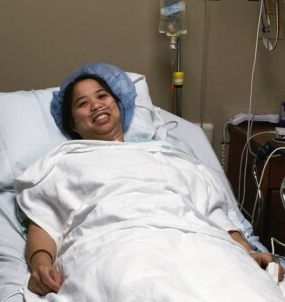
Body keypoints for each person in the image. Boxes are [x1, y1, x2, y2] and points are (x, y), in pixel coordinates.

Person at [17, 63, 285, 300]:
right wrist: (41, 263)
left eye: (102, 96)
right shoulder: (64, 161)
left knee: (241, 289)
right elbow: (44, 219)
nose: (96, 105)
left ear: (117, 103)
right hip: (118, 244)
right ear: (72, 124)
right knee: (149, 289)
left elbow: (212, 209)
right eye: (82, 103)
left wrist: (246, 251)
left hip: (199, 242)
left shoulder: (168, 154)